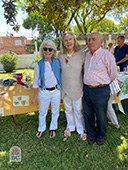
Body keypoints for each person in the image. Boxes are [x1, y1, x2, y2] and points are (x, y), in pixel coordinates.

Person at [82, 32, 117, 146]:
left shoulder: (107, 55)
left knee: (101, 115)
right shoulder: (86, 56)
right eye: (89, 40)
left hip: (100, 90)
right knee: (88, 113)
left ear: (101, 42)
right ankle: (91, 135)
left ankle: (101, 136)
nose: (90, 42)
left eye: (93, 39)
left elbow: (112, 74)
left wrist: (102, 85)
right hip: (87, 89)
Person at [58, 31, 87, 140]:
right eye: (66, 40)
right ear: (63, 43)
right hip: (65, 87)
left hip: (77, 87)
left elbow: (85, 71)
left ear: (74, 40)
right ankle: (70, 126)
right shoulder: (60, 55)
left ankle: (81, 128)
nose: (68, 42)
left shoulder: (81, 54)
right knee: (68, 109)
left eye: (70, 39)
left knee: (78, 110)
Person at [31, 39, 62, 138]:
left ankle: (53, 128)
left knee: (55, 111)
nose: (47, 51)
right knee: (42, 111)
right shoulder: (38, 65)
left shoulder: (57, 62)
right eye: (45, 49)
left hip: (56, 91)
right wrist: (35, 96)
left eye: (50, 49)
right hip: (44, 91)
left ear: (53, 51)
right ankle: (41, 128)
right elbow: (35, 81)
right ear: (42, 50)